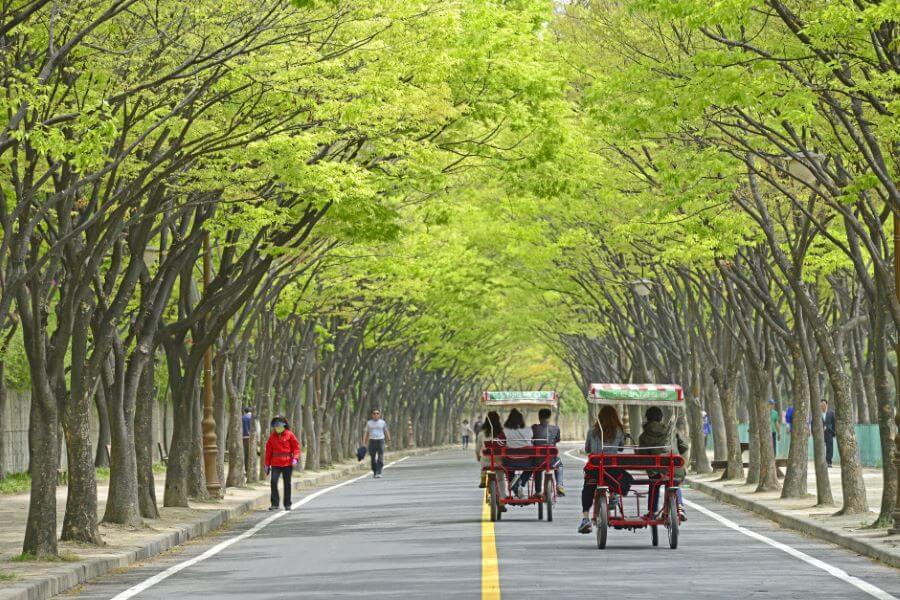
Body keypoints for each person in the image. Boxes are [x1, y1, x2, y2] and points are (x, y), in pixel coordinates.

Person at [578, 405, 632, 534]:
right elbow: (621, 449)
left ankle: (585, 518)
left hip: (595, 469)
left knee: (588, 489)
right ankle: (614, 495)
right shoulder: (619, 430)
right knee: (623, 478)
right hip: (612, 469)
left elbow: (587, 449)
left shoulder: (593, 430)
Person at [639, 406, 688, 522]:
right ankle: (680, 506)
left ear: (647, 418)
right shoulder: (672, 430)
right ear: (661, 418)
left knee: (653, 484)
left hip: (656, 471)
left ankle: (652, 511)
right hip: (674, 468)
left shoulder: (643, 437)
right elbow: (684, 446)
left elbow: (642, 457)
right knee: (674, 481)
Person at [264, 415, 301, 511]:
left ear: (284, 425)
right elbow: (268, 452)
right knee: (273, 482)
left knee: (287, 483)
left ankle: (287, 504)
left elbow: (296, 448)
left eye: (279, 426)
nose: (277, 428)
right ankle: (275, 504)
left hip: (287, 463)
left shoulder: (290, 435)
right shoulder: (272, 437)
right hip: (275, 464)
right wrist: (266, 464)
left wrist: (295, 459)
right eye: (276, 427)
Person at [476, 411, 507, 509]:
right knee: (501, 479)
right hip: (499, 463)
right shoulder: (502, 433)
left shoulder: (481, 433)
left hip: (486, 463)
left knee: (483, 458)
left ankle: (483, 477)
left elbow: (477, 449)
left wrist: (478, 456)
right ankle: (502, 499)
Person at [531, 407, 565, 496]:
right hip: (551, 461)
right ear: (550, 417)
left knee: (537, 468)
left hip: (538, 461)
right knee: (560, 464)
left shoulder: (534, 428)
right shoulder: (556, 428)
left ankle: (538, 491)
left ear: (539, 417)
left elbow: (531, 440)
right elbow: (557, 440)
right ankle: (560, 485)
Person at [502, 408, 533, 499]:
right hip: (527, 462)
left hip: (510, 461)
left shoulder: (505, 430)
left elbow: (501, 443)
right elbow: (531, 439)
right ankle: (521, 483)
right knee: (534, 465)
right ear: (521, 419)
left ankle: (515, 485)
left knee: (506, 467)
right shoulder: (528, 429)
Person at [363, 408, 391, 478]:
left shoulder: (382, 422)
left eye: (377, 413)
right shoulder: (369, 423)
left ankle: (379, 471)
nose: (376, 415)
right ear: (372, 415)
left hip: (381, 440)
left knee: (380, 456)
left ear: (379, 415)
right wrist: (364, 442)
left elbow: (386, 431)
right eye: (374, 413)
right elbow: (366, 433)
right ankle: (375, 471)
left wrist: (389, 440)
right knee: (372, 458)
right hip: (372, 441)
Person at [821, 400, 836, 467]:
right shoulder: (818, 414)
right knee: (821, 448)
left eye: (824, 405)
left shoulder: (831, 413)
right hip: (820, 434)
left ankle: (829, 462)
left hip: (829, 433)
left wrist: (834, 432)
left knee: (830, 448)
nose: (823, 406)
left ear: (827, 405)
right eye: (821, 405)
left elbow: (834, 423)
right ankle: (821, 462)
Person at [242, 407, 253, 476]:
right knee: (251, 455)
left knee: (246, 455)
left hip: (244, 438)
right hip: (252, 438)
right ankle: (251, 470)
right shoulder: (253, 418)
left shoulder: (243, 418)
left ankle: (247, 470)